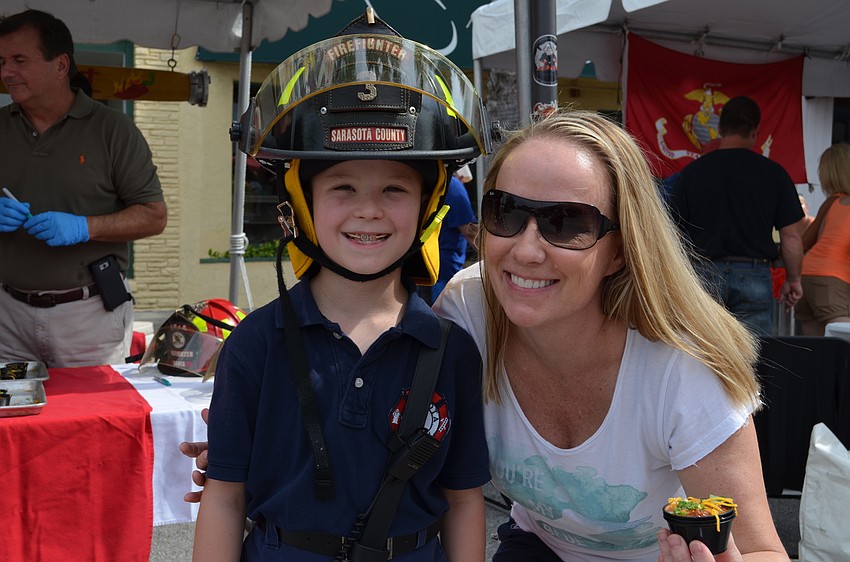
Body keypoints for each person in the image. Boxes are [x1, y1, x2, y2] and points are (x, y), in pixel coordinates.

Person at [183, 109, 789, 561]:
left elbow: (765, 551)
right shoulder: (468, 311)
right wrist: (258, 439)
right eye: (506, 212)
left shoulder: (680, 374)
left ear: (621, 251)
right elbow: (373, 395)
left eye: (567, 223)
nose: (526, 249)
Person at [190, 11, 491, 562]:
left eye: (395, 189)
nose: (369, 210)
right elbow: (225, 498)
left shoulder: (451, 350)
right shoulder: (254, 345)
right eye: (343, 186)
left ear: (429, 207)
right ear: (300, 203)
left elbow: (464, 500)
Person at [0, 9, 166, 367]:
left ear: (60, 65)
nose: (5, 72)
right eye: (1, 61)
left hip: (88, 318)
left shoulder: (113, 131)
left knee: (91, 420)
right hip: (7, 317)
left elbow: (154, 217)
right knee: (11, 423)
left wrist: (83, 227)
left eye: (18, 60)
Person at [669, 95, 805, 335]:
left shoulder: (692, 173)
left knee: (702, 356)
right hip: (753, 274)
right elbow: (791, 236)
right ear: (755, 132)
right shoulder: (774, 174)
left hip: (703, 274)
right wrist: (794, 279)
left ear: (720, 129)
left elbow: (673, 232)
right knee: (751, 361)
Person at [795, 144, 850, 336]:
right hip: (832, 282)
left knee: (816, 353)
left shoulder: (832, 201)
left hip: (806, 278)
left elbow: (803, 243)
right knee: (843, 341)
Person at [429, 169, 477, 303]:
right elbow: (470, 232)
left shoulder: (437, 184)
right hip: (448, 268)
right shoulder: (455, 186)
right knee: (446, 317)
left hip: (433, 262)